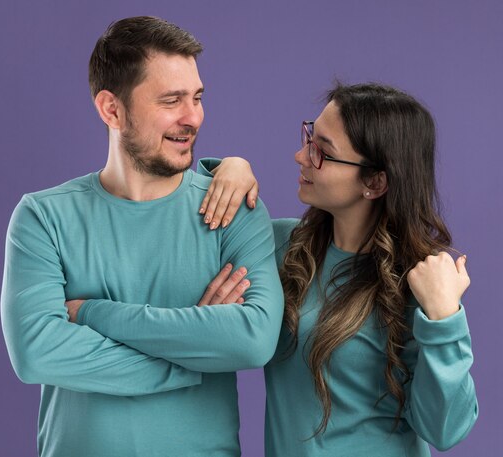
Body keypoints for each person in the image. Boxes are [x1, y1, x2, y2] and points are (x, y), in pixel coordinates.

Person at [0, 16, 283, 457]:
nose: (193, 117)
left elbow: (252, 339)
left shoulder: (234, 209)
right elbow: (36, 353)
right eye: (172, 100)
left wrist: (93, 313)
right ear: (112, 109)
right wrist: (191, 355)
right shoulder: (43, 217)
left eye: (197, 98)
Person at [197, 83, 478, 456]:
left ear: (375, 182)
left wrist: (444, 321)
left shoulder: (419, 283)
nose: (300, 155)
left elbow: (445, 430)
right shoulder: (280, 247)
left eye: (322, 152)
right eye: (309, 137)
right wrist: (230, 168)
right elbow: (188, 231)